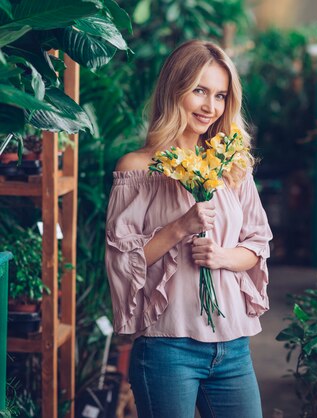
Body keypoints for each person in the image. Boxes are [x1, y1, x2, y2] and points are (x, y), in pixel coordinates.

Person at [105, 40, 272, 418]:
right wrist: (180, 227)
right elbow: (121, 260)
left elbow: (258, 244)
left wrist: (224, 256)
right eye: (199, 90)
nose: (210, 107)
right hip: (168, 349)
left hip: (233, 349)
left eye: (220, 95)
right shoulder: (138, 169)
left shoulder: (232, 165)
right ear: (174, 89)